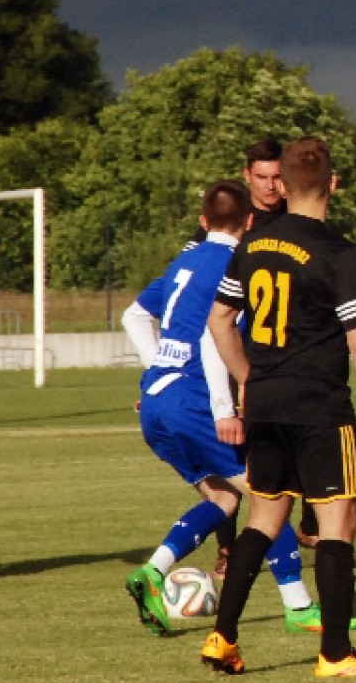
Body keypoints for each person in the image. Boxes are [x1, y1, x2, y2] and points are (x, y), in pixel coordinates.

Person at [201, 136, 356, 677]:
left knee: (265, 516)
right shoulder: (339, 253)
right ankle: (336, 654)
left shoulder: (253, 243)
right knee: (339, 520)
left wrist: (249, 378)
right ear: (333, 183)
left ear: (284, 185)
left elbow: (219, 321)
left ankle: (223, 637)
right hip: (318, 405)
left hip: (265, 403)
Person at [122, 179, 322, 637]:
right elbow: (217, 338)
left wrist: (161, 371)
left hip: (158, 400)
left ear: (203, 220)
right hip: (195, 401)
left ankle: (153, 571)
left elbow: (133, 314)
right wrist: (223, 409)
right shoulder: (238, 265)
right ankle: (298, 605)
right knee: (270, 493)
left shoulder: (185, 260)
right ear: (250, 221)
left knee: (224, 499)